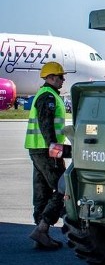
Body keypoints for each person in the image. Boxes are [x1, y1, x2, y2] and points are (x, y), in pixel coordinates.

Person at [24, 61, 67, 250]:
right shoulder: (48, 96)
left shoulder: (44, 95)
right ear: (50, 78)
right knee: (62, 188)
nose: (62, 80)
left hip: (37, 149)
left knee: (42, 191)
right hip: (46, 150)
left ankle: (41, 234)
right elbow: (45, 123)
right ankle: (42, 228)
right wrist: (53, 146)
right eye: (60, 77)